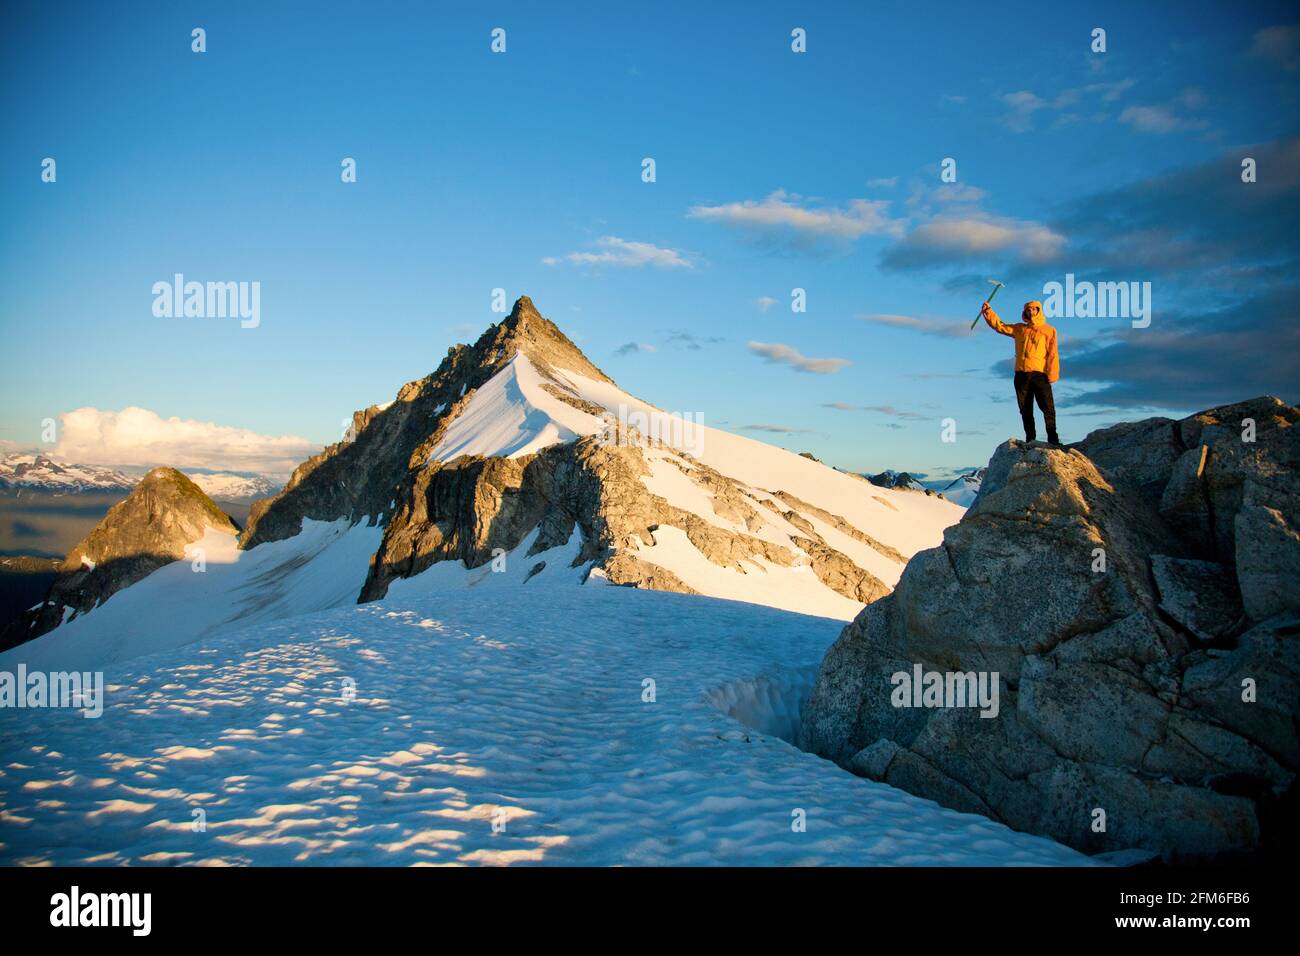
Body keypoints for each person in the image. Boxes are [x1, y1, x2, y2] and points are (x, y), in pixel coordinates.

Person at [981, 299, 1061, 446]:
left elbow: (1053, 354)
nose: (1031, 312)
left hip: (1040, 375)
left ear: (1038, 310)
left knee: (1048, 408)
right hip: (1021, 375)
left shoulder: (1048, 330)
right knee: (1025, 409)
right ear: (1025, 312)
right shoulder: (1019, 329)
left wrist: (1052, 375)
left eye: (1033, 309)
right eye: (1028, 310)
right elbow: (1000, 326)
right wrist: (988, 312)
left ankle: (1053, 439)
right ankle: (1030, 439)